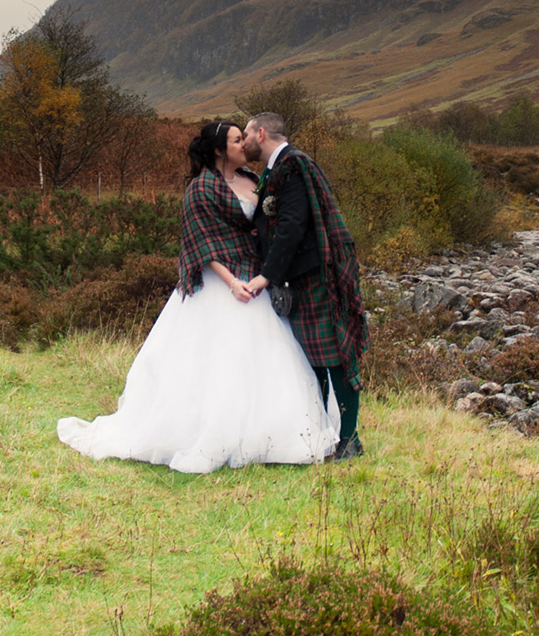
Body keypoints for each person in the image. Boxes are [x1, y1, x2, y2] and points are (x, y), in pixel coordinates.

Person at [57, 120, 338, 474]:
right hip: (219, 284)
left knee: (263, 356)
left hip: (254, 278)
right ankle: (204, 431)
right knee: (214, 360)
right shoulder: (201, 188)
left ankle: (273, 432)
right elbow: (201, 241)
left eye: (243, 138)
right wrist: (232, 282)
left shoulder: (254, 181)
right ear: (220, 149)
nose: (243, 145)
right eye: (236, 140)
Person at [243, 111, 368, 461]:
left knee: (335, 356)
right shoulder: (276, 168)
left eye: (247, 133)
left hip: (316, 274)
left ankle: (349, 439)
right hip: (301, 274)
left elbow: (293, 225)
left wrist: (268, 274)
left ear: (261, 133)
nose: (245, 140)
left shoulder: (293, 165)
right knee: (313, 358)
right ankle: (327, 433)